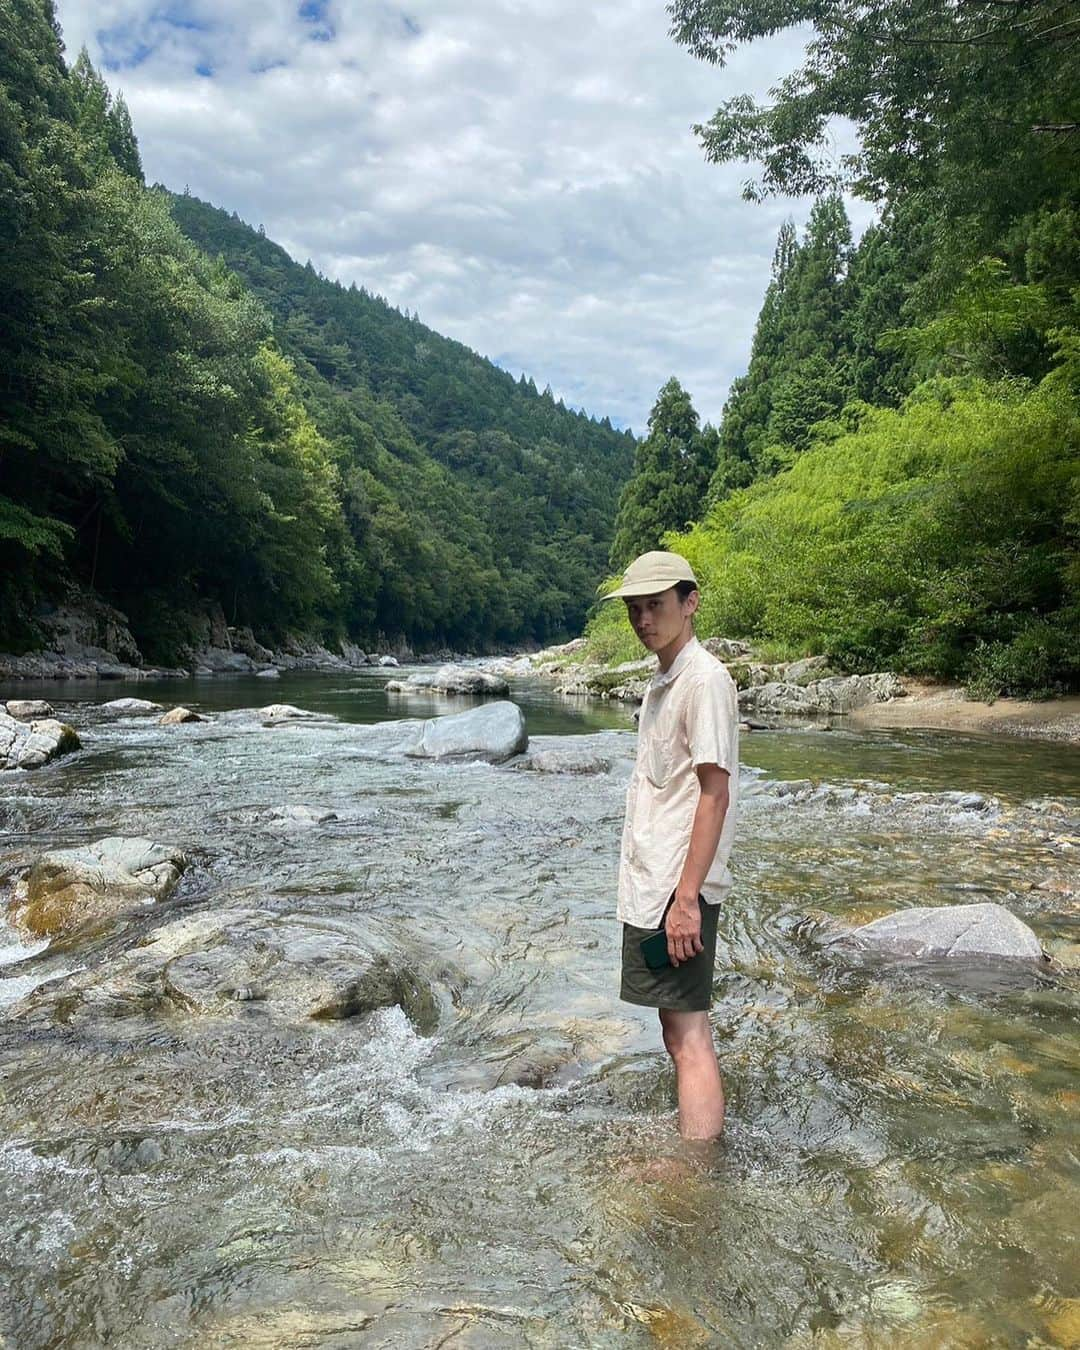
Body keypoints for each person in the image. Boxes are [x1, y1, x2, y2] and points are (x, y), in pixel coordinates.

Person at [603, 550, 739, 1141]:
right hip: (657, 881)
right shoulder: (666, 678)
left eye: (655, 605)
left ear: (690, 603)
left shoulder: (704, 681)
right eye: (635, 608)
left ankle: (697, 1171)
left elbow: (714, 794)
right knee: (675, 1025)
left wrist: (687, 901)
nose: (642, 618)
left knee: (688, 1036)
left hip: (678, 888)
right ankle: (695, 1144)